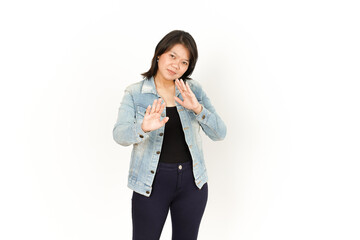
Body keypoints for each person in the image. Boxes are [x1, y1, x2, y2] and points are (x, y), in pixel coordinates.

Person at [112, 30, 227, 240]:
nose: (176, 65)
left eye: (184, 62)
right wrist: (143, 128)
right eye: (172, 56)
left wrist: (198, 109)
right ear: (159, 54)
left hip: (193, 184)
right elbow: (119, 135)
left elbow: (220, 133)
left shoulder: (193, 90)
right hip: (151, 183)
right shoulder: (135, 93)